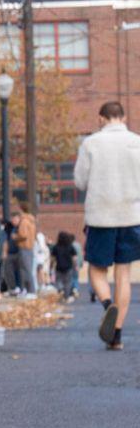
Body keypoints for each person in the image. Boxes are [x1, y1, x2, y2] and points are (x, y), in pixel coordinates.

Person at [74, 101, 140, 348]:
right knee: (123, 274)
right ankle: (117, 337)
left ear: (101, 118)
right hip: (132, 216)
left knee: (97, 269)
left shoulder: (91, 143)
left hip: (101, 216)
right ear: (122, 118)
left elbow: (80, 181)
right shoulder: (137, 142)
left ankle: (106, 304)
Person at [9, 205, 37, 297]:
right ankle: (28, 290)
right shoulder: (30, 221)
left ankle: (31, 291)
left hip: (25, 247)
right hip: (29, 247)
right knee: (26, 270)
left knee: (26, 270)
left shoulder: (24, 222)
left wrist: (15, 237)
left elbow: (23, 234)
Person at [51, 231, 79, 303]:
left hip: (59, 267)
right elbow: (74, 258)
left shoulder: (56, 247)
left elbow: (53, 258)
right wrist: (76, 266)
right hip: (68, 267)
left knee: (58, 280)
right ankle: (66, 297)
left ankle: (60, 289)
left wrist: (51, 266)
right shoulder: (70, 247)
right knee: (68, 282)